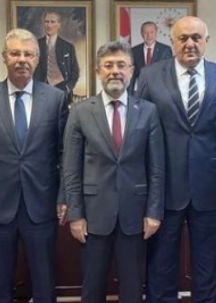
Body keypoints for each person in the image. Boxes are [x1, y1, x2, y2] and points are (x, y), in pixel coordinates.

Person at [137, 16, 216, 302]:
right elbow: (139, 133)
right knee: (161, 263)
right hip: (164, 188)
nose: (190, 43)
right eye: (183, 38)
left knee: (207, 263)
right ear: (172, 42)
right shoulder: (150, 76)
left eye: (196, 37)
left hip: (209, 187)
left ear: (207, 41)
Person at [0, 28, 68, 303]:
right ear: (4, 57)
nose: (22, 59)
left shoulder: (56, 99)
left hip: (42, 205)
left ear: (37, 59)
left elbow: (63, 153)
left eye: (28, 54)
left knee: (44, 282)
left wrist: (63, 196)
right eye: (15, 53)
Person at [62, 41, 165, 303]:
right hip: (93, 216)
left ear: (132, 70)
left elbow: (156, 168)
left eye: (121, 65)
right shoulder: (81, 112)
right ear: (98, 71)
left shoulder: (148, 111)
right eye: (108, 65)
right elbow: (71, 168)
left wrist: (154, 212)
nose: (115, 71)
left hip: (136, 215)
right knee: (92, 288)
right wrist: (75, 215)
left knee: (133, 288)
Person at [34, 11, 80, 102]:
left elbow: (75, 71)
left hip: (62, 89)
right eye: (47, 22)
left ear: (59, 25)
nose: (49, 25)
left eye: (52, 22)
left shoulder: (68, 47)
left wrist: (68, 87)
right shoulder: (35, 45)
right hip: (41, 90)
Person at [130, 21, 172, 93]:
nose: (149, 36)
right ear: (141, 34)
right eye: (145, 33)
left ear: (156, 33)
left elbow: (169, 73)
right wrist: (129, 94)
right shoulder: (134, 51)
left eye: (152, 32)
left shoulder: (165, 50)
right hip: (141, 91)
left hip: (161, 91)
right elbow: (132, 75)